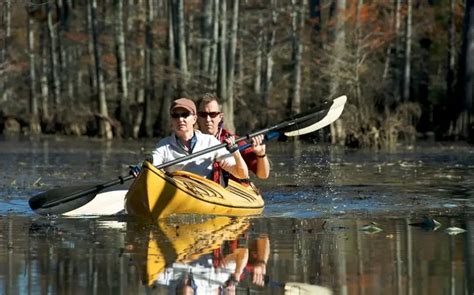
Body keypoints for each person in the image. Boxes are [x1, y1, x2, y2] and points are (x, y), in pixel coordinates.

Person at [132, 98, 249, 181]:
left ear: (194, 119)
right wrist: (142, 166)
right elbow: (153, 161)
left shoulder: (210, 142)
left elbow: (242, 174)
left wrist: (235, 152)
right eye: (175, 115)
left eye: (185, 114)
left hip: (204, 194)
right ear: (171, 120)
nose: (180, 119)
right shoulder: (163, 146)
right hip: (176, 190)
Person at [196, 93, 270, 184]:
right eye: (203, 114)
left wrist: (260, 154)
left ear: (220, 117)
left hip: (231, 192)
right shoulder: (187, 142)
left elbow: (263, 175)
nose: (208, 119)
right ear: (197, 117)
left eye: (213, 114)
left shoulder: (235, 141)